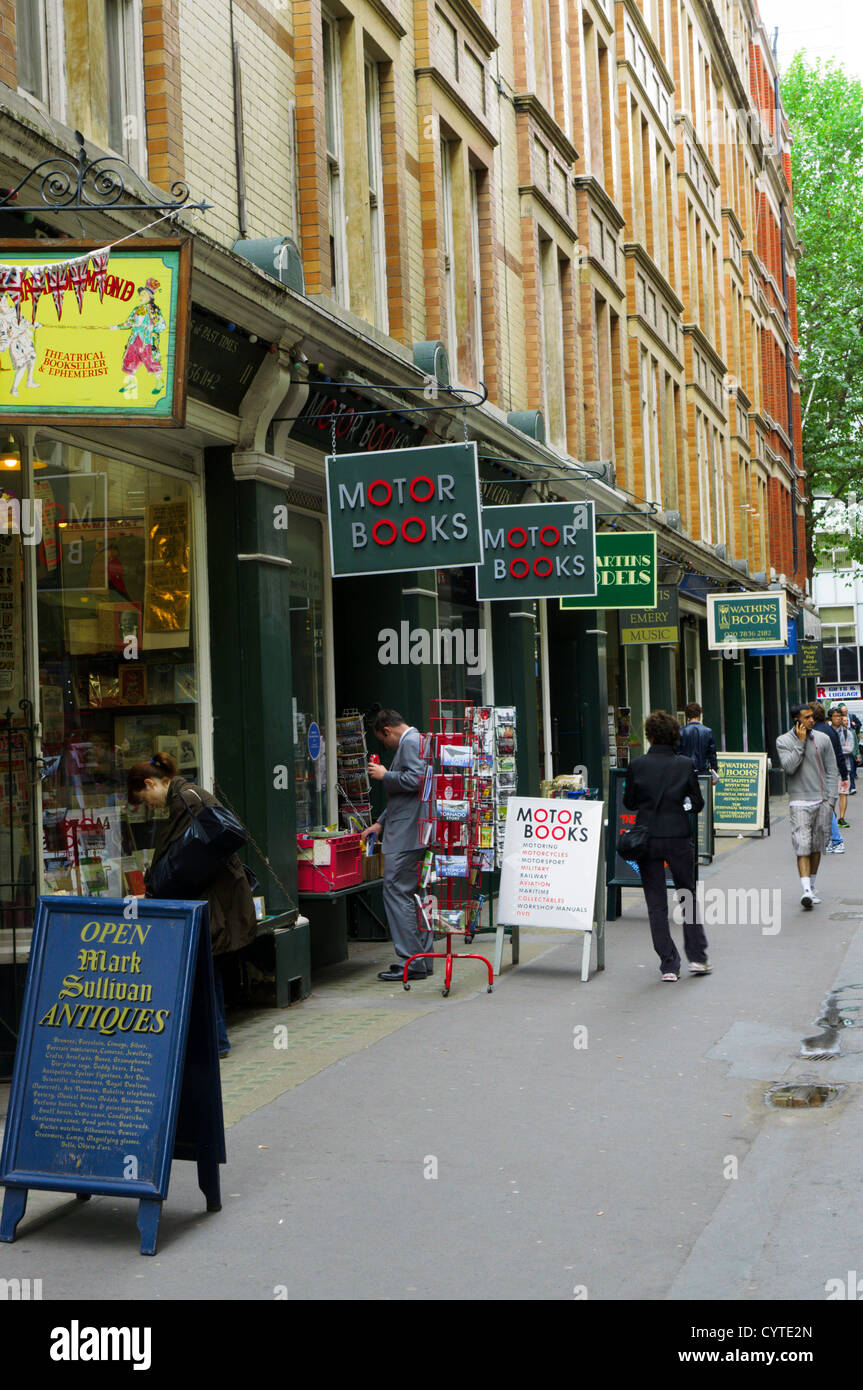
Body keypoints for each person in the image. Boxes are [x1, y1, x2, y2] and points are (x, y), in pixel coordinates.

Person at [127, 752, 257, 1056]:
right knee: (205, 969)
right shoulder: (192, 794)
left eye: (145, 798)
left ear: (151, 782)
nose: (150, 805)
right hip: (213, 897)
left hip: (209, 900)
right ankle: (214, 1041)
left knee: (203, 970)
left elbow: (182, 863)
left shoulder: (186, 801)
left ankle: (214, 1042)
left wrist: (152, 892)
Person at [623, 710, 708, 981]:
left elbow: (629, 803)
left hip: (648, 839)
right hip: (678, 836)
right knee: (687, 894)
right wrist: (681, 805)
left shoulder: (637, 765)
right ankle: (697, 956)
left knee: (655, 901)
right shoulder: (684, 764)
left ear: (648, 735)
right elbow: (697, 803)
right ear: (674, 735)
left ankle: (669, 963)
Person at [360, 709, 432, 982]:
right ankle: (422, 960)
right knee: (415, 895)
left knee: (396, 891)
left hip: (407, 834)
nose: (385, 746)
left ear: (387, 731)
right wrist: (381, 823)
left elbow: (416, 781)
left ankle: (410, 961)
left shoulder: (411, 743)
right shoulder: (419, 740)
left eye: (383, 740)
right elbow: (411, 795)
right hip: (413, 829)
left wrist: (384, 775)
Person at [776, 704, 838, 909]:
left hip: (822, 800)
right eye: (807, 717)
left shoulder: (823, 739)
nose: (812, 720)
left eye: (812, 717)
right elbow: (789, 767)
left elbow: (831, 770)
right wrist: (800, 744)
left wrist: (831, 800)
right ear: (797, 720)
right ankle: (806, 891)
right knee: (802, 845)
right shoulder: (783, 741)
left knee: (817, 845)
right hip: (799, 801)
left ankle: (811, 886)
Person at [810, 702, 845, 854]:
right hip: (830, 773)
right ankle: (830, 840)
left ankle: (836, 841)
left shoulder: (812, 732)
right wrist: (843, 775)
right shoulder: (831, 731)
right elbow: (839, 754)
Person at [677, 702, 718, 778]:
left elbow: (677, 754)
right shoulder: (708, 731)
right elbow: (712, 755)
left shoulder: (681, 732)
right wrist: (714, 773)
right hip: (703, 772)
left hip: (685, 773)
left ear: (687, 715)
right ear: (700, 714)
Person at [831, 706, 854, 827]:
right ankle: (832, 815)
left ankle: (842, 818)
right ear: (831, 718)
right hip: (830, 768)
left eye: (840, 716)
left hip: (845, 767)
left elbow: (849, 748)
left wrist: (836, 749)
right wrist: (840, 749)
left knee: (843, 793)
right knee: (831, 794)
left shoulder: (846, 732)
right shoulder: (827, 732)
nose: (838, 718)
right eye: (835, 716)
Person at [838, 705, 859, 794]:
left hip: (850, 754)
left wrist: (857, 754)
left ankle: (852, 787)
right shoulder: (838, 732)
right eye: (844, 720)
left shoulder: (852, 731)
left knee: (851, 770)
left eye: (847, 720)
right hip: (841, 754)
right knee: (843, 771)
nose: (846, 722)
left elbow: (855, 744)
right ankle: (844, 787)